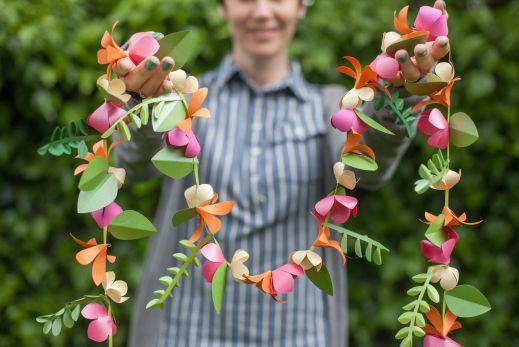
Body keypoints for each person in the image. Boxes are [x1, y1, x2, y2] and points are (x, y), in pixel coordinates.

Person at [113, 0, 450, 346]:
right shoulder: (187, 104)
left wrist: (398, 101)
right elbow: (134, 163)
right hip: (187, 333)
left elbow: (367, 166)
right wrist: (143, 101)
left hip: (299, 334)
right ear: (222, 7)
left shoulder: (332, 109)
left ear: (302, 5)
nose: (262, 12)